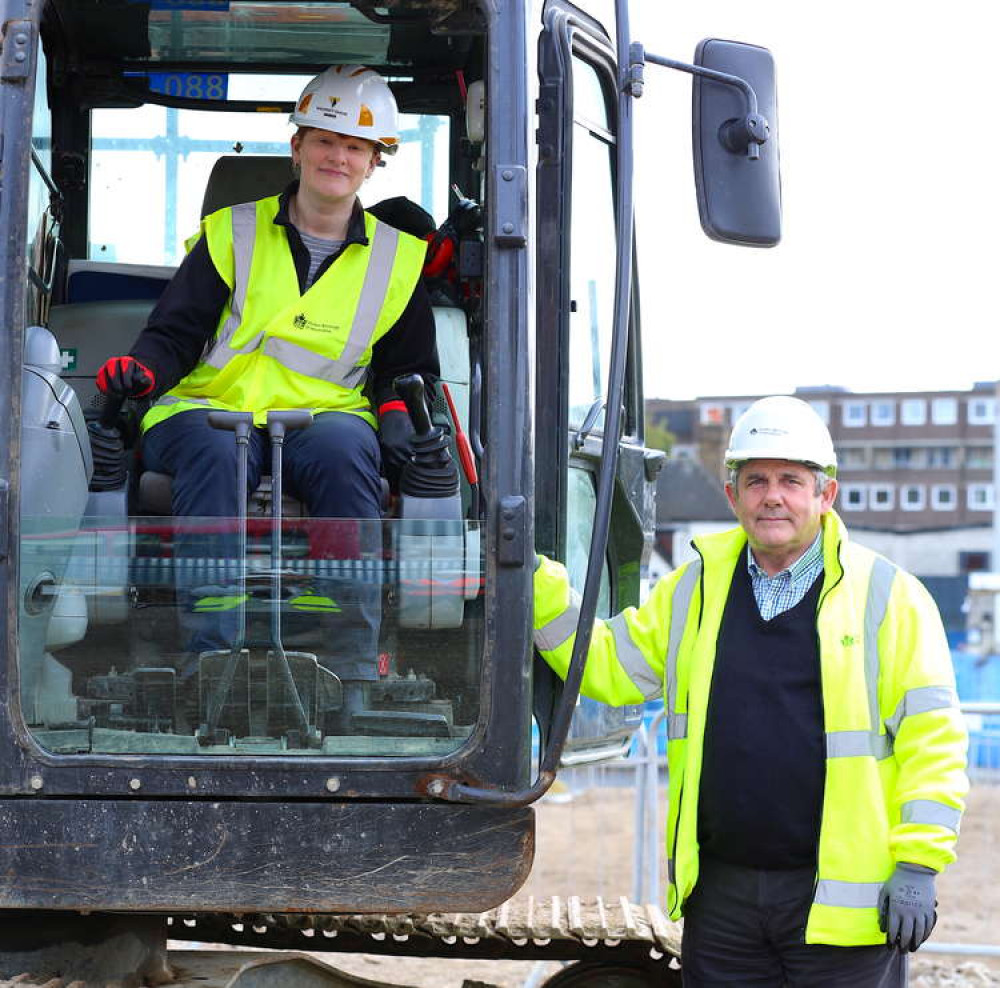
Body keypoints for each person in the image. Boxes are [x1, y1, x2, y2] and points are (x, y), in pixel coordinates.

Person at [533, 396, 969, 987]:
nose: (773, 496)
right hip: (724, 899)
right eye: (756, 480)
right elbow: (607, 664)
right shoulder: (693, 589)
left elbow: (933, 741)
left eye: (792, 480)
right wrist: (530, 582)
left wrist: (919, 861)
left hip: (843, 906)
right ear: (732, 493)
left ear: (825, 495)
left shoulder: (889, 596)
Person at [95, 65, 438, 698]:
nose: (338, 155)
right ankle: (209, 661)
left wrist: (395, 415)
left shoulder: (400, 259)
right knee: (220, 449)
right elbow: (175, 333)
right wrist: (144, 371)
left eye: (355, 147)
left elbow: (408, 369)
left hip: (324, 419)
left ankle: (351, 669)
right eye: (324, 140)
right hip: (206, 409)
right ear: (297, 147)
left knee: (346, 456)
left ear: (373, 163)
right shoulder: (233, 231)